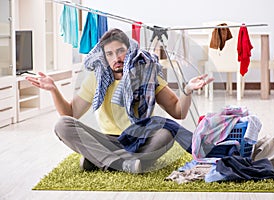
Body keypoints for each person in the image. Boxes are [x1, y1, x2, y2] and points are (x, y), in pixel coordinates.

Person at [26, 28, 213, 173]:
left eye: (120, 51)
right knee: (62, 125)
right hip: (108, 139)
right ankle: (122, 163)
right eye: (110, 54)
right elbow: (70, 114)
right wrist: (53, 89)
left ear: (129, 50)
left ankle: (98, 159)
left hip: (141, 140)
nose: (116, 58)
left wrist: (187, 90)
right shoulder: (96, 78)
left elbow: (178, 112)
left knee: (166, 134)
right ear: (104, 57)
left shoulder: (147, 74)